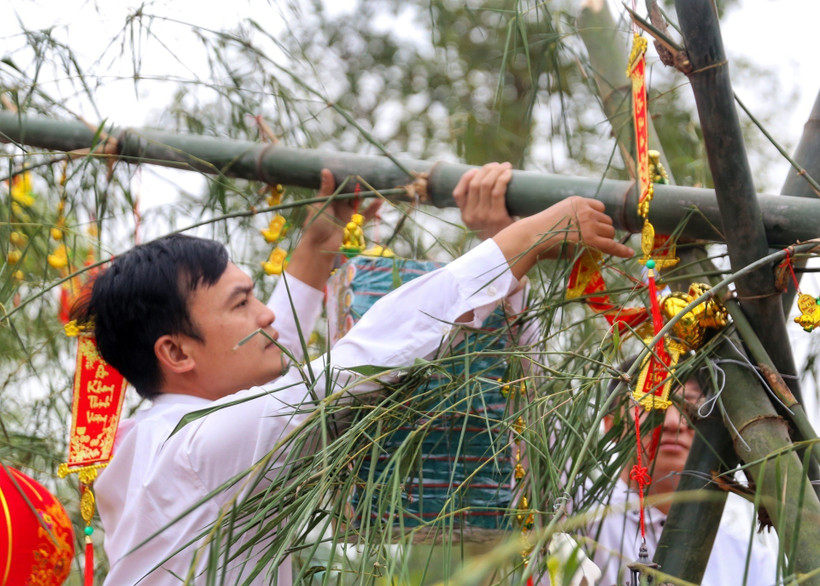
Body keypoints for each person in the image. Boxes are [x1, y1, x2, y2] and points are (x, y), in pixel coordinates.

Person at [74, 164, 633, 584]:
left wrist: (317, 249)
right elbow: (361, 360)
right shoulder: (196, 448)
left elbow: (267, 371)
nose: (265, 316)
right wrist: (524, 238)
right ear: (175, 353)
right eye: (241, 303)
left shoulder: (148, 441)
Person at [587, 369, 778, 586]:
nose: (673, 422)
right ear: (610, 424)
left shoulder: (751, 563)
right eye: (651, 405)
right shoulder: (577, 522)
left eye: (691, 408)